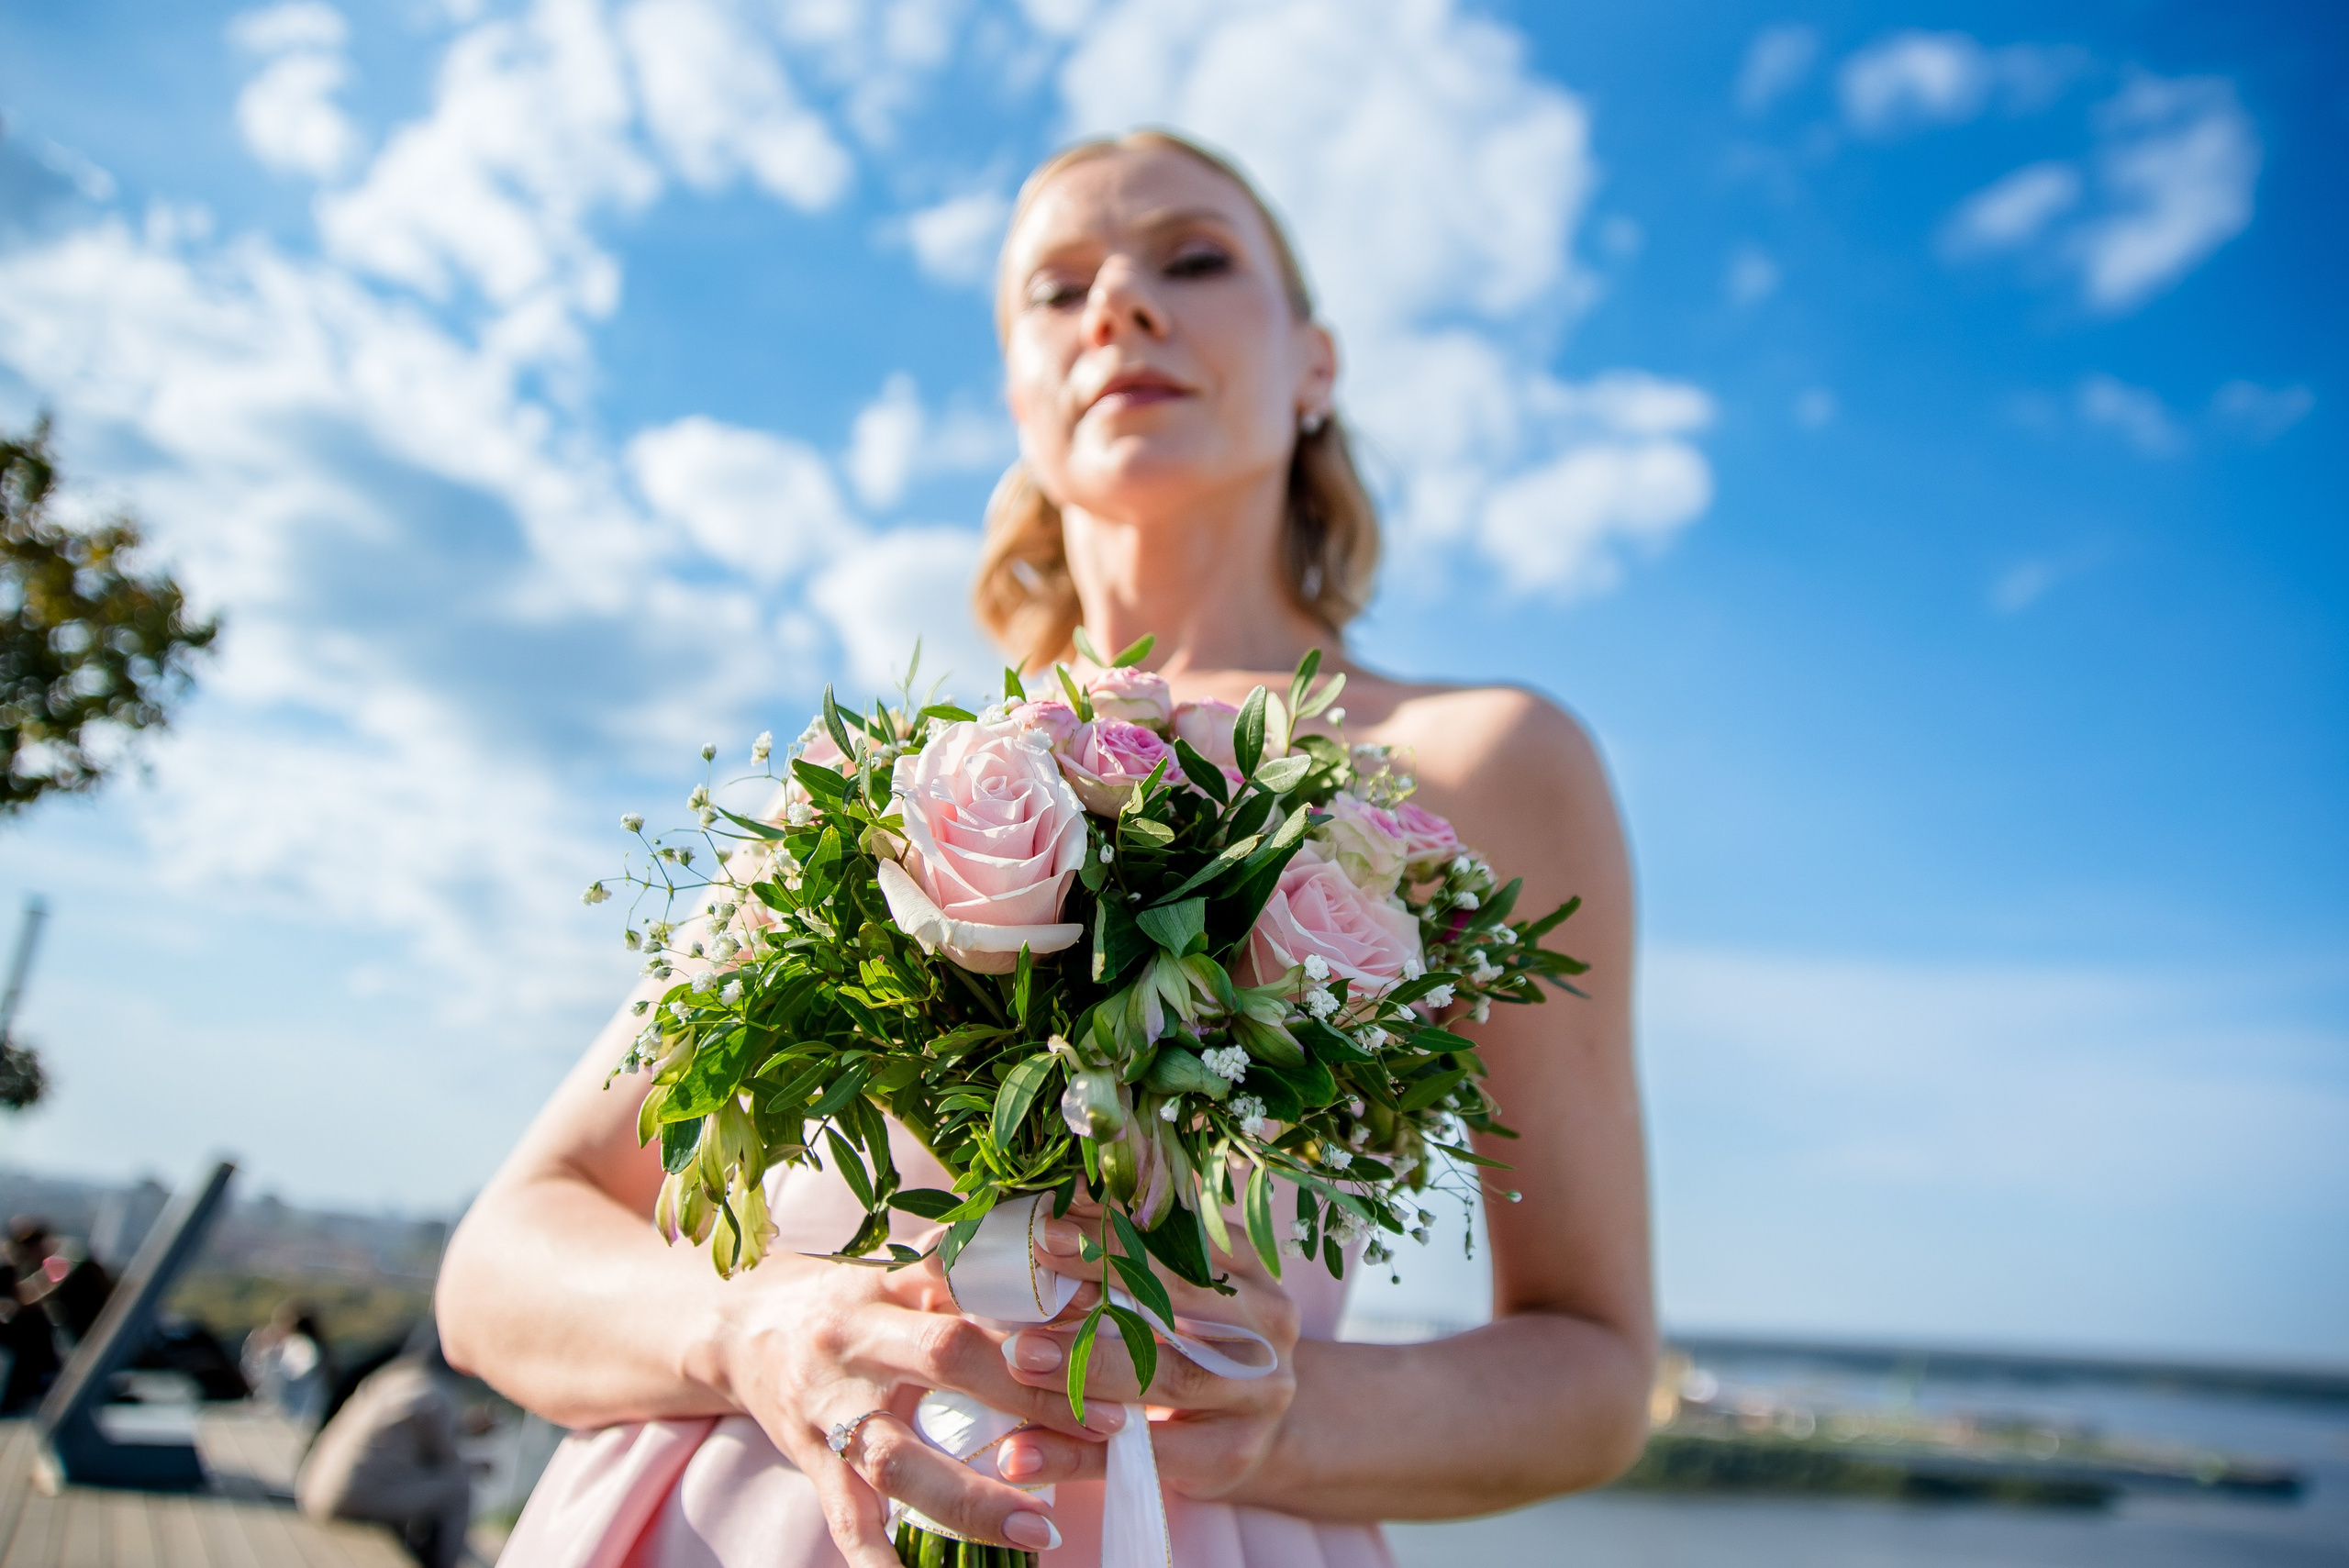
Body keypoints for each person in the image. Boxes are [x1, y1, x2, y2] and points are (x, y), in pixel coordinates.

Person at [440, 129, 1651, 1567]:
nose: (1120, 309)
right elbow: (502, 1259)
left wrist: (1287, 1417)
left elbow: (1594, 1364)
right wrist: (750, 1330)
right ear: (1018, 390)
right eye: (1057, 289)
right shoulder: (877, 790)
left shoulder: (1480, 763)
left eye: (1193, 261)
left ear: (1316, 363)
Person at [297, 1320, 473, 1568]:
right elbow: (445, 1460)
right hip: (347, 1502)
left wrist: (465, 1428)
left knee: (423, 1480)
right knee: (457, 1487)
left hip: (314, 1490)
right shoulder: (435, 1394)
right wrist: (477, 1464)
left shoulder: (393, 1378)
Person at [6, 1218, 113, 1344]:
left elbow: (45, 1285)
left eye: (38, 1241)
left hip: (98, 1324)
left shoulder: (75, 1263)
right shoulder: (24, 1272)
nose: (36, 1247)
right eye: (29, 1244)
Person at [242, 1300, 338, 1429]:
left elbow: (282, 1379)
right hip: (311, 1413)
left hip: (301, 1415)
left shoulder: (301, 1346)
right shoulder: (314, 1347)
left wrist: (267, 1353)